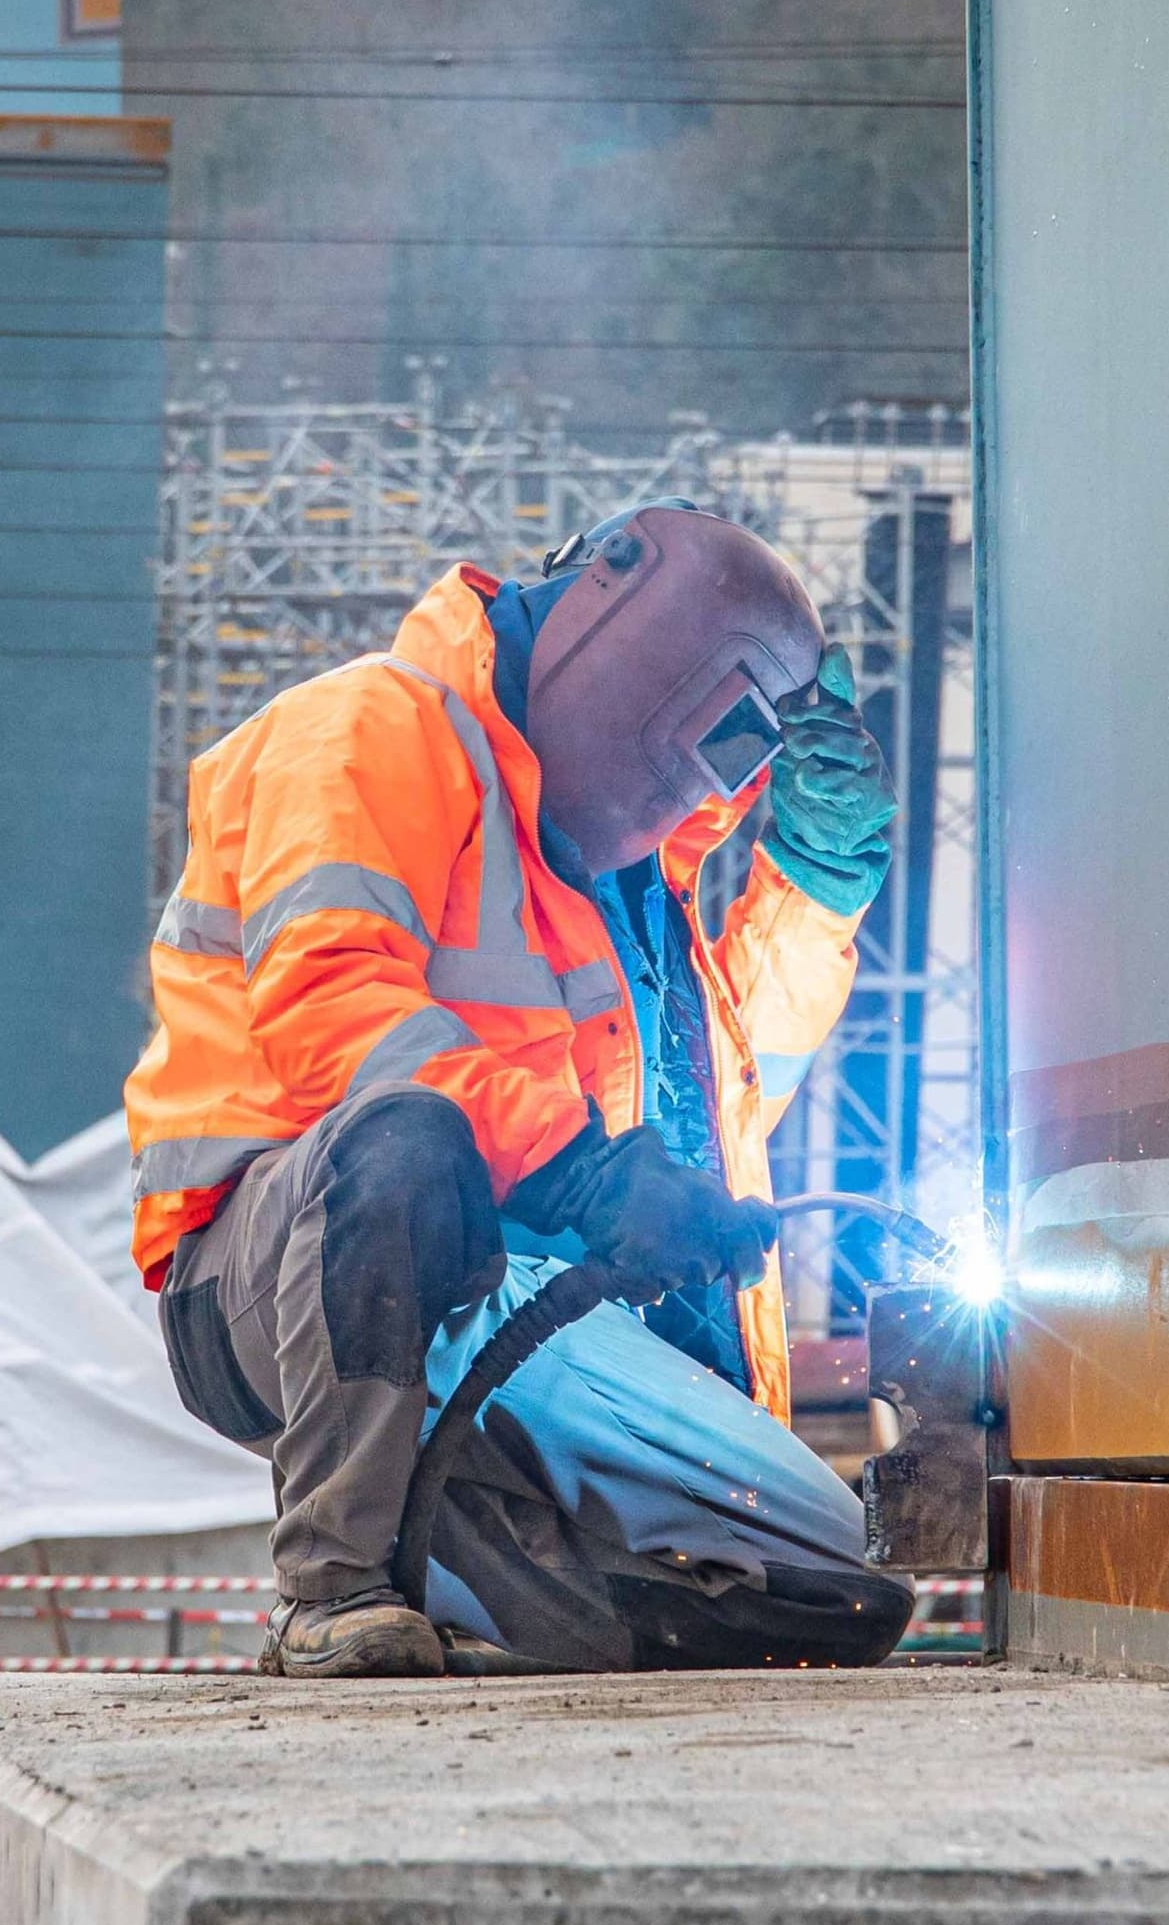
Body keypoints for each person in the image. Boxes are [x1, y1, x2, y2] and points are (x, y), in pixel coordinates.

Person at [128, 503, 917, 1676]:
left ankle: (486, 1590)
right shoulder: (364, 730)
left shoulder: (618, 884)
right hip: (282, 1269)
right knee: (407, 1138)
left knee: (830, 1593)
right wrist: (583, 1174)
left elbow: (724, 1096)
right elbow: (335, 1011)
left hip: (515, 1294)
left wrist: (813, 886)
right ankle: (335, 1588)